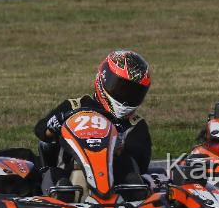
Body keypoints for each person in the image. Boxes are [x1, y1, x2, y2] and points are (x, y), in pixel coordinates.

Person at [34, 49, 153, 190]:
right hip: (68, 175)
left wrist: (116, 146)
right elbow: (40, 130)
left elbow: (140, 162)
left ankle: (131, 198)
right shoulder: (74, 106)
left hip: (113, 184)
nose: (126, 98)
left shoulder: (135, 125)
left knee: (131, 173)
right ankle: (58, 196)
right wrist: (52, 126)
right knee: (51, 174)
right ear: (104, 78)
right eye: (122, 89)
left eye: (134, 93)